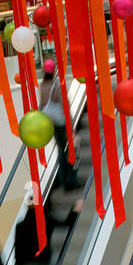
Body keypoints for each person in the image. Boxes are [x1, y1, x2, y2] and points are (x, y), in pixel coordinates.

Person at [39, 61, 78, 189]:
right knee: (69, 151)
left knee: (61, 150)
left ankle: (63, 180)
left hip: (51, 123)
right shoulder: (57, 84)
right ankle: (71, 180)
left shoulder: (43, 85)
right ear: (54, 70)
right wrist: (71, 124)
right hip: (62, 122)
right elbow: (64, 105)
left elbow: (42, 104)